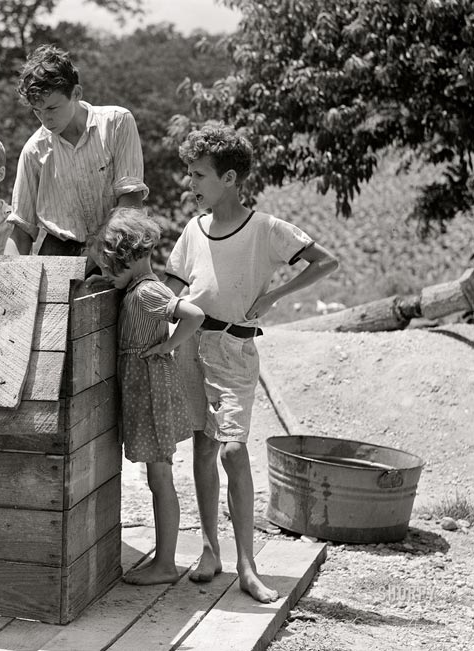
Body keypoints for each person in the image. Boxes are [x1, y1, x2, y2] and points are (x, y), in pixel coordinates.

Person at [165, 123, 339, 602]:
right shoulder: (193, 230)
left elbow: (325, 262)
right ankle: (209, 550)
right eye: (190, 174)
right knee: (201, 446)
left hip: (236, 351)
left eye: (199, 175)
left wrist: (276, 295)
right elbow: (181, 287)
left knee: (232, 450)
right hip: (191, 348)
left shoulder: (265, 228)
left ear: (231, 178)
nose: (191, 184)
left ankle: (248, 565)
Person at [90, 208, 205, 585]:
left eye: (113, 267)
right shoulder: (135, 289)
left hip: (152, 395)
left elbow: (194, 315)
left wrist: (166, 346)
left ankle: (166, 564)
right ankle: (165, 558)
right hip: (145, 391)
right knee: (158, 478)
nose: (110, 276)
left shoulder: (147, 291)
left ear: (132, 256)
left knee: (160, 480)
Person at [6, 44, 148, 261]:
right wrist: (7, 279)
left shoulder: (117, 123)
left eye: (52, 108)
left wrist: (100, 256)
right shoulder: (33, 151)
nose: (45, 119)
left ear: (76, 93)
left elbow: (130, 202)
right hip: (59, 252)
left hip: (117, 245)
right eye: (37, 111)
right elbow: (22, 229)